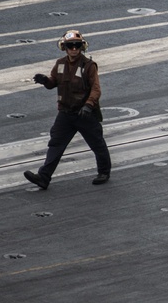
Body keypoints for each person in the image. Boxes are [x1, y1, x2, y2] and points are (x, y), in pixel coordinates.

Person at [24, 30, 111, 189]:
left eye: (77, 46)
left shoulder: (89, 66)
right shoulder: (60, 64)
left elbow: (96, 89)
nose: (74, 49)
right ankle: (44, 177)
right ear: (64, 47)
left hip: (84, 114)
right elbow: (52, 83)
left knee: (97, 143)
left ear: (82, 47)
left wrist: (88, 105)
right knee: (55, 144)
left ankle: (104, 172)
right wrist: (45, 81)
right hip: (65, 113)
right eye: (70, 46)